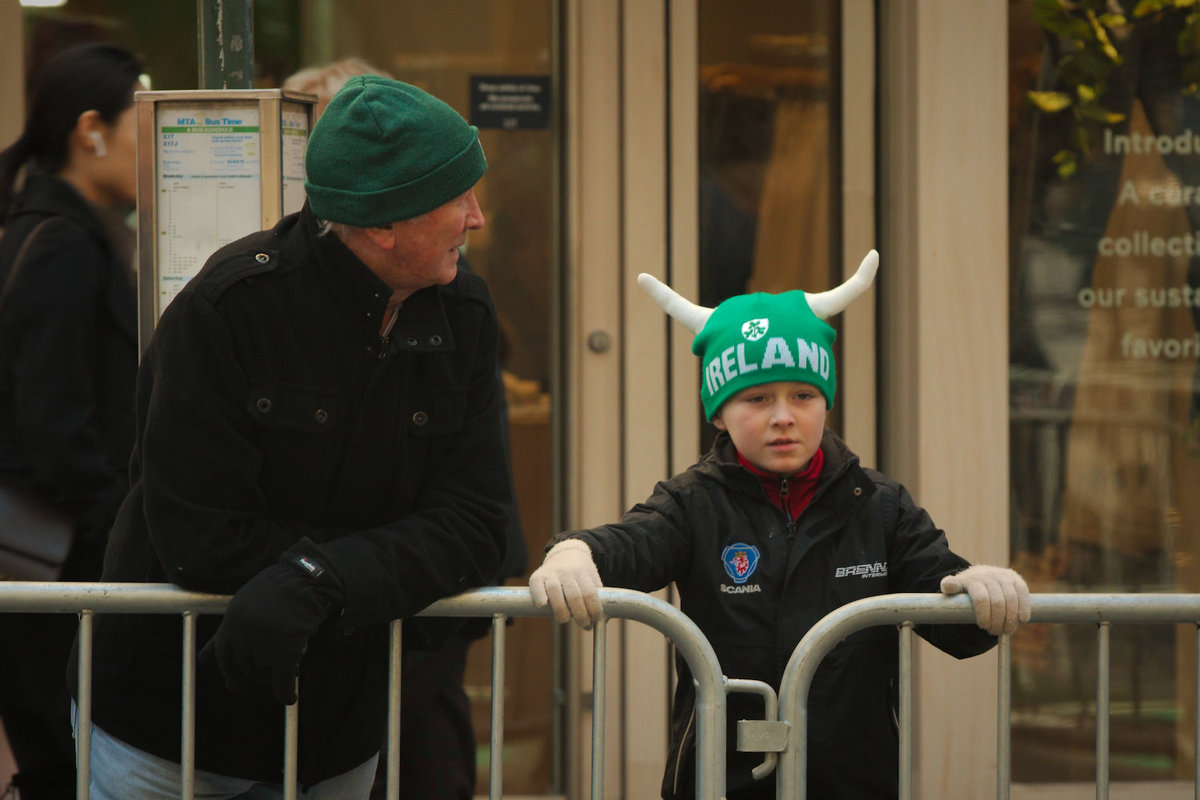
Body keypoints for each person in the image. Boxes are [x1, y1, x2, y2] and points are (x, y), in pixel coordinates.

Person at [68, 75, 512, 800]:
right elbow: (197, 534)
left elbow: (476, 525)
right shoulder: (228, 310)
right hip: (164, 730)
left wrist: (322, 580)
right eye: (458, 198)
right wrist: (370, 566)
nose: (478, 218)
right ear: (382, 225)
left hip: (335, 736)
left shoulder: (463, 312)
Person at [528, 250, 1032, 799]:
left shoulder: (880, 504)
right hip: (723, 785)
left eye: (804, 395)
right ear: (719, 411)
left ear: (826, 403)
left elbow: (955, 621)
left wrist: (982, 588)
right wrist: (573, 551)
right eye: (757, 398)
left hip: (855, 784)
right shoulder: (692, 502)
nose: (784, 416)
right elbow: (628, 545)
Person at [284, 57, 528, 799]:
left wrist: (337, 574)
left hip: (420, 627)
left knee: (426, 762)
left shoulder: (458, 304)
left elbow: (474, 513)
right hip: (316, 650)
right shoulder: (250, 304)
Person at [0, 42, 144, 800]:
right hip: (55, 563)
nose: (149, 151)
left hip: (56, 560)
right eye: (138, 127)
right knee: (71, 764)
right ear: (91, 131)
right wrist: (125, 531)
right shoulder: (62, 244)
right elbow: (55, 423)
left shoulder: (69, 234)